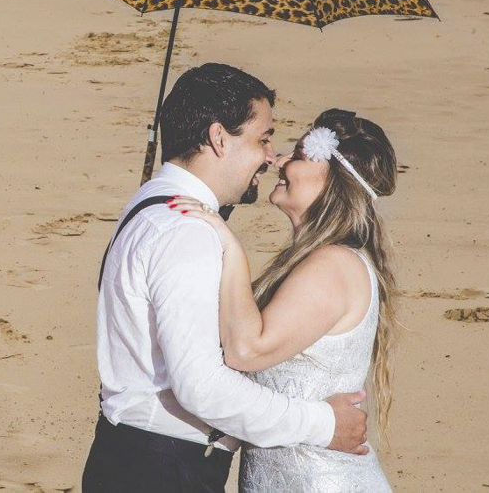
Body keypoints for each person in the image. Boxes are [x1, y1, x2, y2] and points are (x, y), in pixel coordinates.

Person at [81, 64, 368, 493]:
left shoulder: (150, 205)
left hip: (135, 458)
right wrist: (324, 424)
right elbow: (202, 388)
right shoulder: (186, 231)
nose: (271, 157)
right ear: (219, 138)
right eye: (263, 138)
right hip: (161, 471)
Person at [168, 108, 398, 491]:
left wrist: (228, 245)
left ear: (334, 182)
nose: (279, 159)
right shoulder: (325, 260)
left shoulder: (333, 264)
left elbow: (247, 350)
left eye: (300, 155)